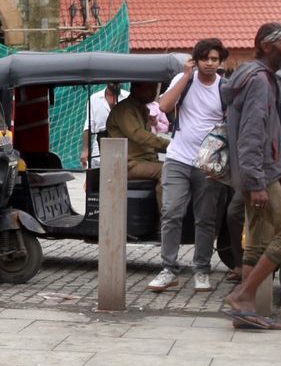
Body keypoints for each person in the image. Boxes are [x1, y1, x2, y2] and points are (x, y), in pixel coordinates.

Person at [221, 22, 281, 329]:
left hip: (261, 172)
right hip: (258, 175)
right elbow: (252, 134)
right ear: (268, 46)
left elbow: (268, 133)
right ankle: (244, 294)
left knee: (256, 241)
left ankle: (246, 310)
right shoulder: (259, 82)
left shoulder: (254, 76)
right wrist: (258, 182)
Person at [151, 38, 229, 292]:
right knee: (171, 211)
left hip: (208, 163)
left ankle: (202, 269)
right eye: (205, 58)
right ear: (196, 60)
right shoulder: (184, 81)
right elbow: (163, 106)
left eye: (214, 59)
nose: (209, 63)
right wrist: (185, 76)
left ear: (220, 62)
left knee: (205, 218)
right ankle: (168, 268)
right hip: (178, 158)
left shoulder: (223, 88)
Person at [104, 80, 169, 210]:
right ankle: (165, 221)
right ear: (136, 89)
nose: (154, 92)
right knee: (167, 171)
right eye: (150, 88)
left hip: (142, 160)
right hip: (128, 164)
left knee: (174, 166)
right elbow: (139, 135)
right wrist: (169, 145)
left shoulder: (141, 108)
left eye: (155, 88)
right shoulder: (125, 110)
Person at [81, 83, 125, 168]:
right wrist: (85, 150)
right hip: (100, 142)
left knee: (120, 173)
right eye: (113, 81)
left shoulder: (127, 97)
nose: (116, 83)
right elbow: (89, 124)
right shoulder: (94, 98)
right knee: (98, 175)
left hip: (123, 141)